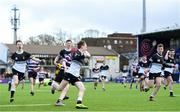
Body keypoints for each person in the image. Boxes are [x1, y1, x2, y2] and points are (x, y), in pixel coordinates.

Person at [51, 40, 90, 109]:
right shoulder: (75, 51)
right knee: (60, 89)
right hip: (70, 74)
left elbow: (86, 59)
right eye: (85, 45)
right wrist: (84, 55)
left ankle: (79, 103)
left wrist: (87, 56)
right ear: (82, 46)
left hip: (75, 75)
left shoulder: (82, 53)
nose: (87, 47)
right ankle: (52, 84)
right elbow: (74, 58)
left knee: (82, 88)